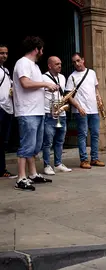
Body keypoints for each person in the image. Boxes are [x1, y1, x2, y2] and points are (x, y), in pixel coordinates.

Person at [13, 36, 58, 191]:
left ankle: (32, 174)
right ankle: (20, 178)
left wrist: (47, 87)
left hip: (37, 111)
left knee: (35, 146)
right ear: (36, 49)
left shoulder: (35, 66)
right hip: (27, 111)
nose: (42, 52)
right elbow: (25, 83)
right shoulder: (23, 63)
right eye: (41, 49)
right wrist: (46, 83)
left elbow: (34, 85)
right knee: (27, 145)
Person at [66, 52, 105, 169]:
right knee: (82, 135)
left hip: (93, 109)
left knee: (95, 134)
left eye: (78, 60)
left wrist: (99, 99)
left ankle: (94, 158)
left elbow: (95, 89)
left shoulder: (91, 73)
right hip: (81, 110)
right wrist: (78, 107)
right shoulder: (71, 77)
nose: (76, 64)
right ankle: (83, 160)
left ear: (83, 60)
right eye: (74, 62)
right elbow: (69, 96)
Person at [42, 56, 72, 175]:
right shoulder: (43, 78)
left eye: (60, 63)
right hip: (49, 113)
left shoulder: (62, 77)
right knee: (48, 142)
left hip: (61, 113)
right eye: (56, 64)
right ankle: (47, 165)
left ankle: (58, 164)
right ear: (50, 66)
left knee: (60, 140)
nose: (59, 66)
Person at [0, 44, 15, 177]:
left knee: (4, 141)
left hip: (8, 109)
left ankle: (2, 169)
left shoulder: (6, 70)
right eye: (1, 53)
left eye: (6, 53)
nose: (4, 55)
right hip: (1, 108)